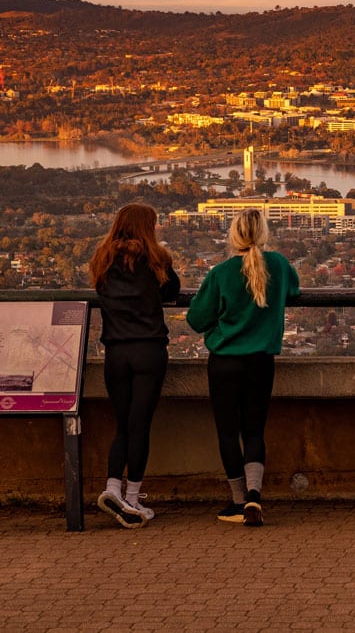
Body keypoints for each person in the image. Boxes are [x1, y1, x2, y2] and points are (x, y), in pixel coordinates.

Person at [186, 208, 299, 527]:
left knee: (227, 431)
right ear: (263, 234)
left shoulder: (220, 274)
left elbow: (196, 320)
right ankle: (254, 495)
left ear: (233, 236)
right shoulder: (278, 264)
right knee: (254, 430)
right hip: (261, 363)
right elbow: (294, 290)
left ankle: (238, 502)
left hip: (225, 363)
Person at [89, 203, 180, 529]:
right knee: (140, 424)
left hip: (116, 352)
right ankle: (132, 497)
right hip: (148, 350)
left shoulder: (102, 260)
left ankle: (112, 486)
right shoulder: (157, 259)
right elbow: (173, 290)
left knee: (123, 425)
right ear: (148, 227)